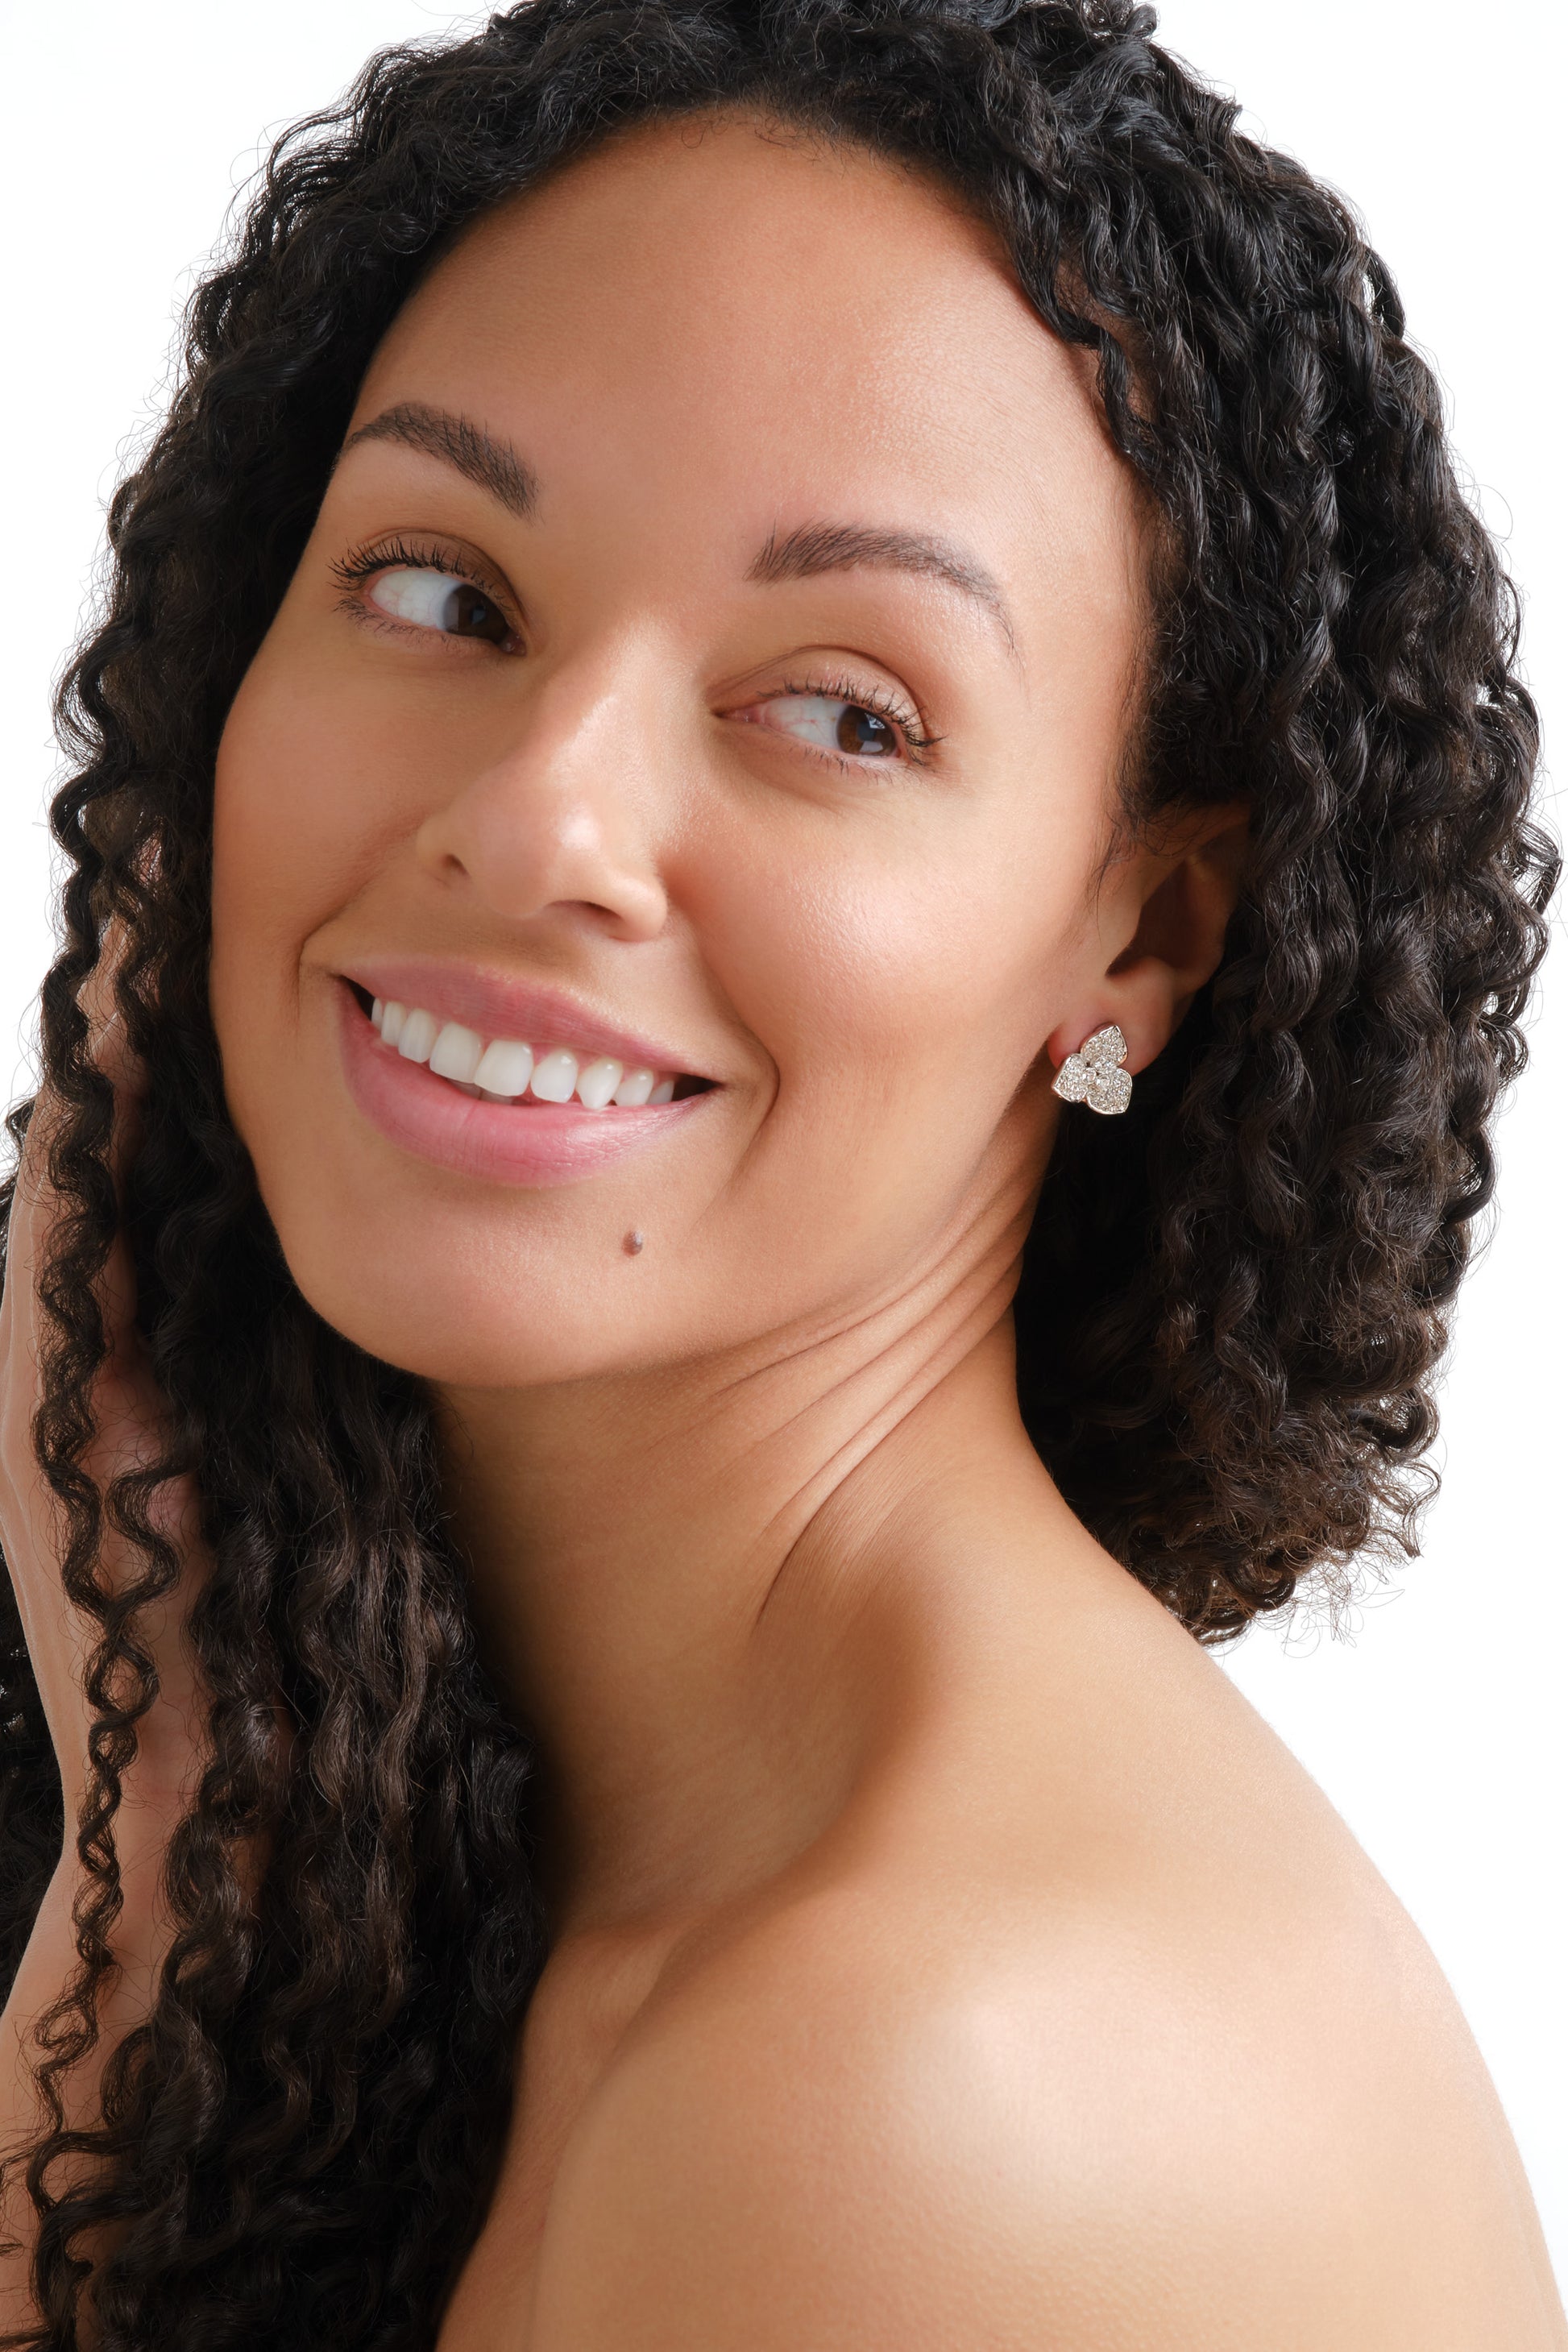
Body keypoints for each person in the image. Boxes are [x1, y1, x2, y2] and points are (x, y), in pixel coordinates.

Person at [0, 0, 1561, 2344]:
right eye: (443, 591)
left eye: (843, 711)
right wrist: (167, 1829)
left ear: (1137, 933)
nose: (542, 817)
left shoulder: (918, 2090)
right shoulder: (321, 1781)